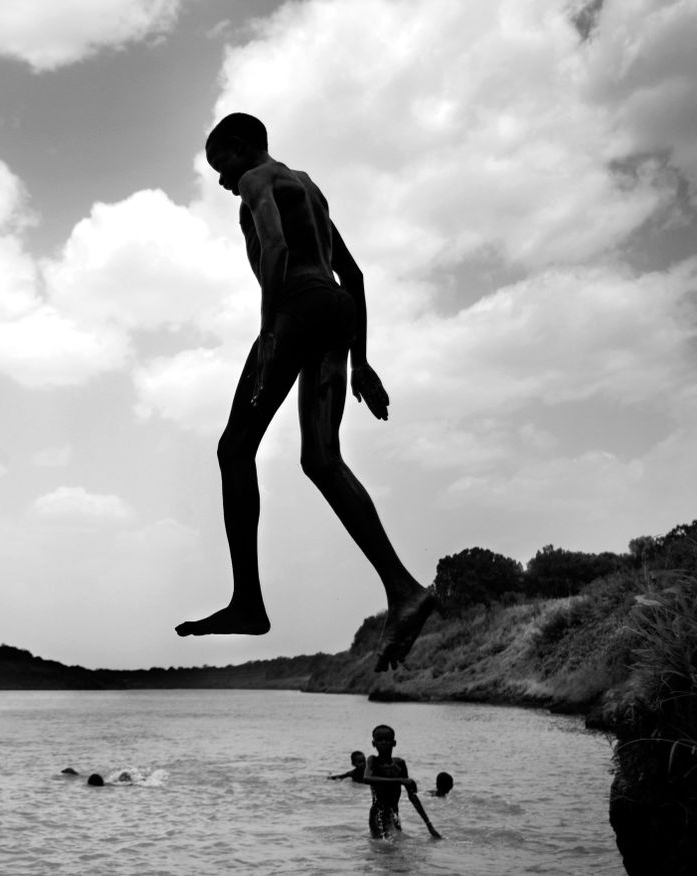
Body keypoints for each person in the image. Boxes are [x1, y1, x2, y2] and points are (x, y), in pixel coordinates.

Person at [174, 111, 437, 672]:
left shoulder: (257, 180)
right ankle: (405, 590)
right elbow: (356, 276)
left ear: (241, 148)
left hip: (295, 310)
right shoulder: (311, 189)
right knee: (321, 459)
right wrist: (361, 360)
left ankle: (248, 601)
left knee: (233, 448)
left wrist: (270, 331)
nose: (222, 182)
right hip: (335, 313)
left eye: (220, 166)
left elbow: (274, 246)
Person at [364, 724, 419, 838]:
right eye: (379, 740)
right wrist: (399, 780)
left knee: (397, 846)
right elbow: (367, 778)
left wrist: (429, 825)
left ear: (394, 743)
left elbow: (412, 796)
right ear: (374, 744)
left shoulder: (400, 764)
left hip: (394, 814)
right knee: (380, 848)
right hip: (377, 815)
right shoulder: (373, 761)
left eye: (387, 740)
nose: (383, 743)